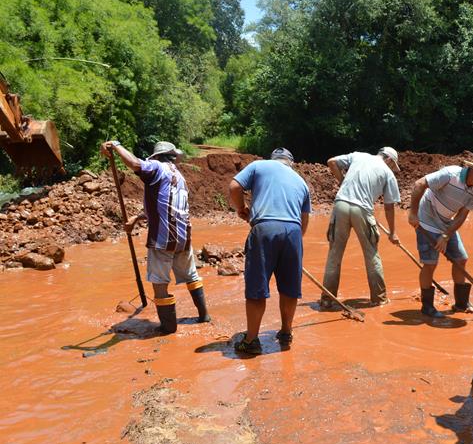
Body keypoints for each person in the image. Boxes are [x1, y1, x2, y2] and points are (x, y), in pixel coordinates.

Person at [101, 140, 210, 334]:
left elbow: (135, 164)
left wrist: (116, 145)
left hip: (163, 238)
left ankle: (167, 329)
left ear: (157, 156)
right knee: (191, 275)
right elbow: (166, 206)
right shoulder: (179, 176)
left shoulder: (157, 167)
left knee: (159, 282)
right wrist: (136, 218)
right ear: (172, 156)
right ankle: (204, 316)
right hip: (183, 236)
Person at [228, 148, 311, 354]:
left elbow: (234, 187)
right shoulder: (301, 181)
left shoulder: (259, 165)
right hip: (293, 231)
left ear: (273, 159)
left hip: (265, 228)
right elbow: (304, 221)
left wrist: (241, 209)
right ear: (290, 163)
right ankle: (286, 332)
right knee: (290, 287)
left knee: (257, 286)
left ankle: (251, 341)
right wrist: (292, 245)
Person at [407, 153, 473, 317]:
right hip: (426, 220)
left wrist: (446, 236)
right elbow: (419, 184)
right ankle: (427, 307)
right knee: (430, 263)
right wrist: (413, 214)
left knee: (461, 259)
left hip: (446, 224)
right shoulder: (450, 174)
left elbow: (462, 215)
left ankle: (461, 303)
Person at [321, 147, 401, 308]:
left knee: (334, 254)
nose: (393, 168)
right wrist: (392, 233)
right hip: (363, 209)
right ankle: (379, 298)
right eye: (393, 165)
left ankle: (327, 299)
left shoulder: (358, 156)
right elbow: (389, 207)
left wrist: (342, 182)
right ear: (390, 160)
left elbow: (332, 162)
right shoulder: (387, 173)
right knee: (371, 254)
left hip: (341, 205)